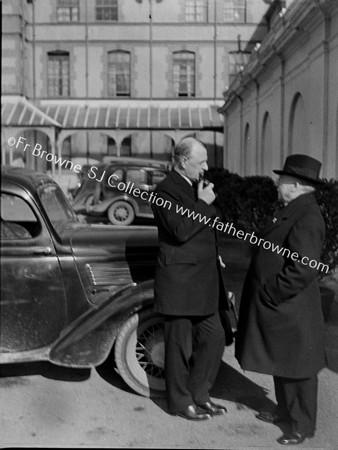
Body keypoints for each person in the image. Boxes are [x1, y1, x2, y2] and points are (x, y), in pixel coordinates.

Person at [235, 154, 326, 445]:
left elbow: (304, 269)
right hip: (281, 305)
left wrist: (272, 291)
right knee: (282, 361)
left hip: (289, 304)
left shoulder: (308, 216)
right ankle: (284, 412)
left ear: (296, 185)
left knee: (299, 368)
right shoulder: (292, 208)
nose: (278, 183)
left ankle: (302, 425)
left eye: (282, 180)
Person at [151, 137, 228, 421]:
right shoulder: (164, 191)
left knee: (214, 337)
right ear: (183, 161)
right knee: (179, 347)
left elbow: (204, 229)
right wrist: (205, 203)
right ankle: (180, 402)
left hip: (203, 280)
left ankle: (200, 394)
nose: (206, 167)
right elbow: (180, 230)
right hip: (180, 282)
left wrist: (215, 255)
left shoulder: (194, 187)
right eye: (201, 161)